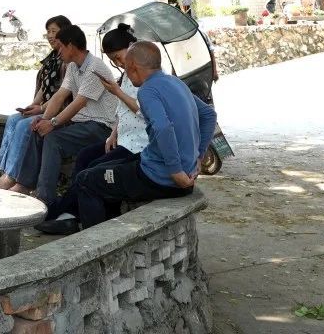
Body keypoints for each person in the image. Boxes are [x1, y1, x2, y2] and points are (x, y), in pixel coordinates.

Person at [66, 40, 218, 231]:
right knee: (101, 169)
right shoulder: (176, 83)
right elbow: (209, 114)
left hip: (160, 178)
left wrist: (175, 172)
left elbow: (163, 127)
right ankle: (114, 228)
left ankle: (97, 243)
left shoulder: (147, 91)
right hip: (177, 169)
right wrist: (198, 157)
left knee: (86, 180)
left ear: (133, 67)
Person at [35, 23, 148, 233]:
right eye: (114, 60)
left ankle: (54, 208)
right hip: (117, 136)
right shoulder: (124, 75)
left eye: (118, 57)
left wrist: (52, 123)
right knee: (82, 157)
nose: (118, 64)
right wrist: (44, 119)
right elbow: (122, 111)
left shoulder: (105, 69)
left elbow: (142, 110)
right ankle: (66, 213)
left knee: (87, 169)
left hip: (120, 136)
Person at [29, 24, 119, 206]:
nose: (58, 51)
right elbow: (60, 95)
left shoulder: (95, 67)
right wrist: (44, 120)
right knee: (38, 131)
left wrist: (52, 123)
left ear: (70, 46)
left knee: (53, 139)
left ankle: (44, 199)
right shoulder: (72, 66)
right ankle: (27, 185)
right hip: (82, 124)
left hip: (101, 127)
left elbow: (79, 103)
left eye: (61, 46)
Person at [0, 14, 71, 190]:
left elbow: (61, 95)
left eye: (54, 31)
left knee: (24, 125)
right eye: (48, 31)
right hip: (45, 107)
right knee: (14, 119)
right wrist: (33, 105)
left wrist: (40, 109)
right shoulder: (52, 58)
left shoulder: (67, 60)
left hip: (61, 111)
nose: (50, 36)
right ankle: (4, 170)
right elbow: (44, 87)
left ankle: (13, 176)